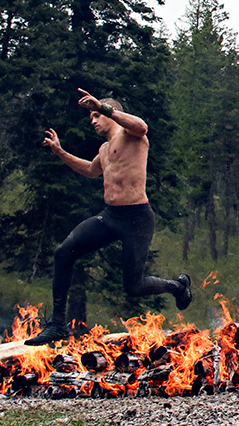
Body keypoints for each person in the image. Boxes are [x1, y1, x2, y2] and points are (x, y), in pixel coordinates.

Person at [25, 88, 191, 346]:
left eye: (95, 116)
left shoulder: (132, 136)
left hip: (137, 218)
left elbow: (142, 125)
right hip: (110, 217)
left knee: (133, 287)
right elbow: (91, 171)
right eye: (91, 117)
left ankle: (178, 287)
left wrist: (103, 107)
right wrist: (59, 152)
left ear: (111, 114)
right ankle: (57, 324)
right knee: (63, 252)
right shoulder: (104, 149)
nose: (92, 121)